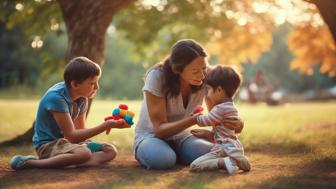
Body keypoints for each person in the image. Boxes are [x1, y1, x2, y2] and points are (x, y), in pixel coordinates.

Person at [134, 39, 243, 170]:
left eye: (203, 68)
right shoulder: (157, 76)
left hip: (184, 137)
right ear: (178, 69)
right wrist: (194, 120)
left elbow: (220, 111)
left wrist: (238, 124)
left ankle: (181, 154)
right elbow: (160, 130)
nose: (202, 75)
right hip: (151, 136)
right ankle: (169, 154)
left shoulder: (207, 76)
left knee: (213, 152)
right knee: (163, 159)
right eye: (195, 71)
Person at [10, 57, 130, 170]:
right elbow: (72, 135)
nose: (97, 87)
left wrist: (110, 124)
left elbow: (80, 131)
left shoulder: (82, 98)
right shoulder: (56, 98)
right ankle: (32, 163)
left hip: (69, 144)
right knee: (84, 153)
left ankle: (69, 163)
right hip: (49, 145)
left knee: (110, 150)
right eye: (92, 83)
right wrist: (106, 125)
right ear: (75, 84)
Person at [190, 65, 251, 174]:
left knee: (195, 165)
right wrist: (207, 134)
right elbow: (220, 128)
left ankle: (223, 162)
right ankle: (241, 161)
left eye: (208, 90)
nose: (207, 94)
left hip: (223, 147)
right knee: (236, 158)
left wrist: (195, 117)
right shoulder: (231, 107)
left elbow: (208, 120)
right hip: (233, 146)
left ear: (219, 90)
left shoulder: (220, 108)